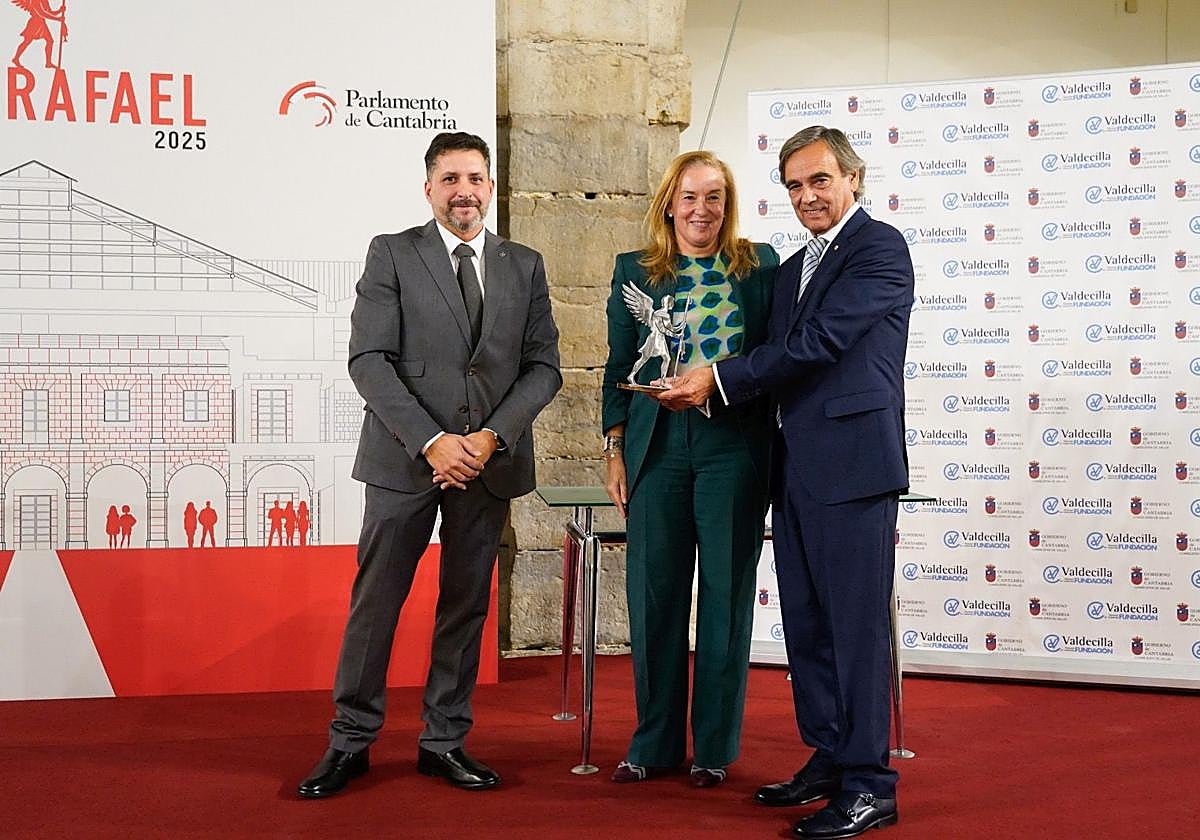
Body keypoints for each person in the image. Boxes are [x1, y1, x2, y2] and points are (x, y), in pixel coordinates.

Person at [660, 126, 913, 839]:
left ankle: (871, 783)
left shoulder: (880, 248)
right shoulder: (793, 266)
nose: (808, 196)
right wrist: (700, 379)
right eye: (795, 185)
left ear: (852, 180)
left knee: (856, 630)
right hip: (794, 467)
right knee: (808, 624)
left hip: (856, 469)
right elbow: (771, 351)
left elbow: (818, 345)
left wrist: (717, 378)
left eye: (820, 180)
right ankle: (830, 757)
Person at [297, 131, 561, 799]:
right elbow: (369, 361)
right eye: (450, 179)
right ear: (429, 188)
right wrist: (433, 442)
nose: (463, 190)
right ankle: (350, 742)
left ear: (490, 187)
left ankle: (444, 741)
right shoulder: (392, 253)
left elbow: (543, 368)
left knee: (465, 607)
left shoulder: (524, 264)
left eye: (474, 177)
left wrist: (491, 438)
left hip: (489, 466)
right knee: (376, 605)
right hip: (402, 462)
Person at [601, 150, 777, 788]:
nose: (701, 210)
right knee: (655, 597)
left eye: (714, 197)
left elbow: (775, 358)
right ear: (669, 203)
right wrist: (614, 449)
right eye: (690, 196)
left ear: (727, 207)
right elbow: (619, 365)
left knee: (727, 598)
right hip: (657, 448)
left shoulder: (760, 269)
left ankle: (713, 750)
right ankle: (653, 744)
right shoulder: (635, 273)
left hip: (733, 447)